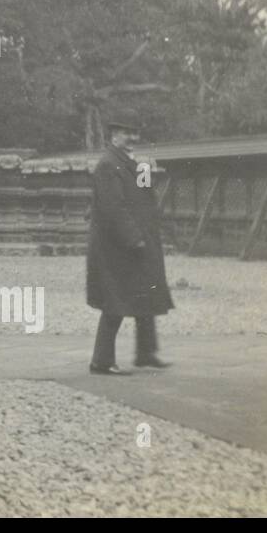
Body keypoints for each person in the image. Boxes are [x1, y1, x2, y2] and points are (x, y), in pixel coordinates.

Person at [86, 118, 173, 375]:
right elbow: (114, 208)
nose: (133, 138)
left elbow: (147, 198)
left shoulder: (134, 162)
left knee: (145, 293)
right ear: (114, 135)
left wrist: (144, 171)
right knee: (116, 300)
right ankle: (101, 361)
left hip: (140, 238)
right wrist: (134, 238)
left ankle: (145, 353)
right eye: (127, 133)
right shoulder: (107, 165)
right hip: (117, 245)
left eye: (135, 133)